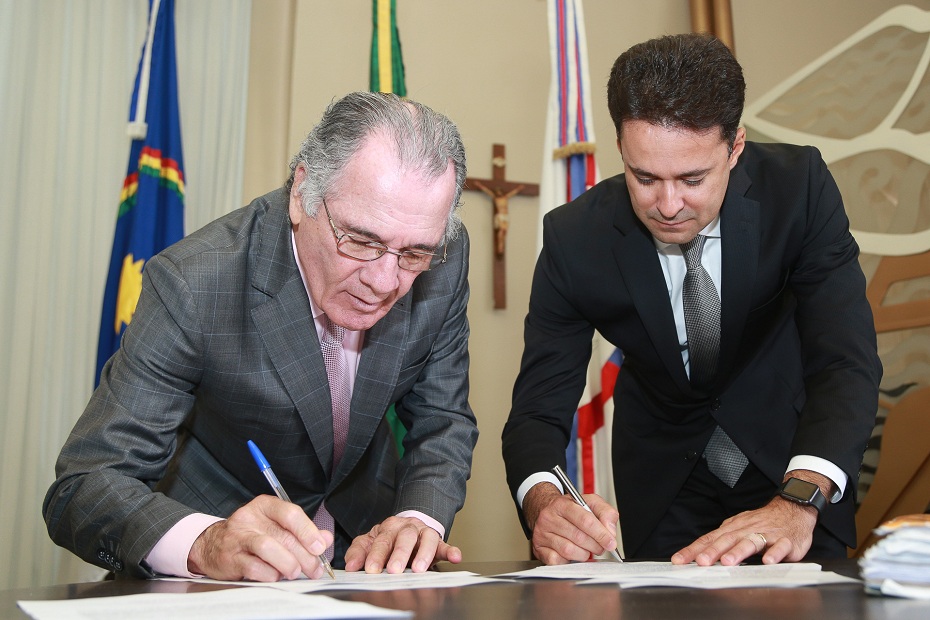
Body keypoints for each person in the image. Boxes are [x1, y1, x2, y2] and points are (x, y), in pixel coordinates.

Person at [44, 91, 478, 581]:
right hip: (219, 567)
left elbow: (442, 418)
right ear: (301, 194)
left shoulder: (444, 257)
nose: (383, 282)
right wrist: (205, 543)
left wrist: (419, 518)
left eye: (414, 254)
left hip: (364, 559)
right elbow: (86, 485)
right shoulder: (196, 282)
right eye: (361, 240)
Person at [502, 33, 881, 567]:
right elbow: (538, 408)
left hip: (792, 463)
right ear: (621, 149)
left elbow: (845, 360)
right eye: (644, 177)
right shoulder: (575, 238)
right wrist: (544, 500)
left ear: (735, 148)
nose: (668, 205)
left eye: (693, 179)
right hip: (662, 484)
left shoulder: (798, 190)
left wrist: (801, 497)